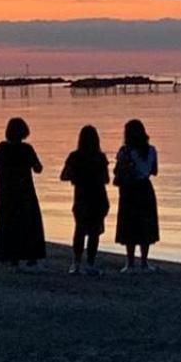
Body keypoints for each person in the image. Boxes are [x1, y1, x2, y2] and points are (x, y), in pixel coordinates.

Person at [0, 116, 45, 269]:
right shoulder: (26, 149)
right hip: (24, 191)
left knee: (9, 223)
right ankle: (31, 257)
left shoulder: (1, 148)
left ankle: (12, 258)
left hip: (6, 192)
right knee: (29, 223)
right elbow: (38, 168)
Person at [60, 124, 110, 275]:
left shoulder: (75, 157)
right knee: (94, 231)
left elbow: (63, 176)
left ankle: (76, 263)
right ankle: (90, 263)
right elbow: (106, 179)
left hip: (81, 196)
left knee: (80, 229)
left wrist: (76, 177)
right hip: (98, 197)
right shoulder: (100, 157)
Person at [113, 118, 159, 272]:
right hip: (145, 188)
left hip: (130, 189)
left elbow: (117, 170)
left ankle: (130, 263)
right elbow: (154, 171)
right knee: (145, 225)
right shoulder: (151, 150)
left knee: (130, 225)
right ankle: (144, 262)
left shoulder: (125, 151)